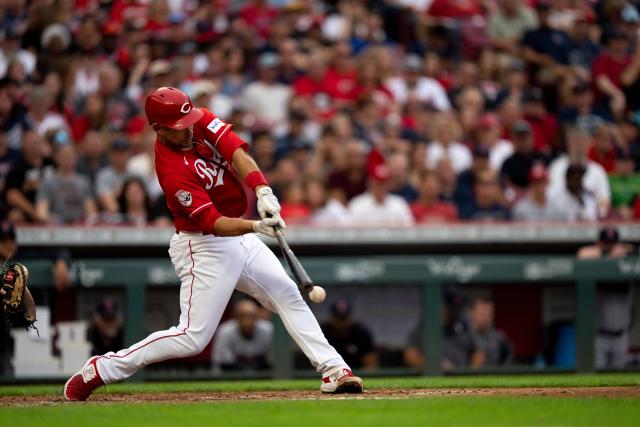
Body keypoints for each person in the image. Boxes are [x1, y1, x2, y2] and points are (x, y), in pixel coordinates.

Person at [64, 87, 363, 401]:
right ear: (158, 129)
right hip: (202, 245)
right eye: (179, 128)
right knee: (192, 338)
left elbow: (236, 152)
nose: (188, 129)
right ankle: (103, 368)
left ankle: (333, 369)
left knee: (286, 292)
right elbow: (214, 224)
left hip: (239, 236)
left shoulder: (195, 118)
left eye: (189, 120)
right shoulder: (171, 170)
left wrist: (262, 190)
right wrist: (258, 225)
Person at [577, 227, 635, 369]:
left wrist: (626, 250)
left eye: (613, 243)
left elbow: (631, 249)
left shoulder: (626, 260)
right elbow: (582, 254)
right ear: (599, 243)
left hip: (621, 335)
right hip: (599, 335)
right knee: (595, 374)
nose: (610, 246)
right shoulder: (594, 260)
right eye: (606, 243)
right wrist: (607, 254)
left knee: (620, 379)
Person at [35, 143, 97, 224]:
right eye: (64, 155)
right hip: (56, 226)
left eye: (71, 155)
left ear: (76, 158)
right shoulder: (47, 183)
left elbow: (91, 211)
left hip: (80, 226)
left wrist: (86, 222)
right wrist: (54, 221)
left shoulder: (84, 181)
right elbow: (41, 212)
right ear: (56, 157)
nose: (67, 158)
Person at [212, 299, 273, 372]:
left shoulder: (268, 330)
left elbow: (274, 363)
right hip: (233, 377)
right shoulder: (225, 331)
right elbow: (224, 365)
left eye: (251, 316)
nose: (247, 322)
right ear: (235, 317)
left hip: (264, 376)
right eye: (242, 316)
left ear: (257, 317)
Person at [348, 163, 414, 226]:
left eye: (383, 183)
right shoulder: (357, 205)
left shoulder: (399, 204)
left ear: (389, 184)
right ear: (370, 183)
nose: (381, 187)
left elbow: (409, 230)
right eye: (377, 183)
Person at [320, 299, 378, 370]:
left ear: (350, 318)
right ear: (331, 318)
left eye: (344, 319)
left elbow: (370, 364)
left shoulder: (361, 332)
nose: (341, 323)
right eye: (338, 319)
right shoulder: (322, 333)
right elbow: (316, 363)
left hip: (357, 375)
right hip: (330, 375)